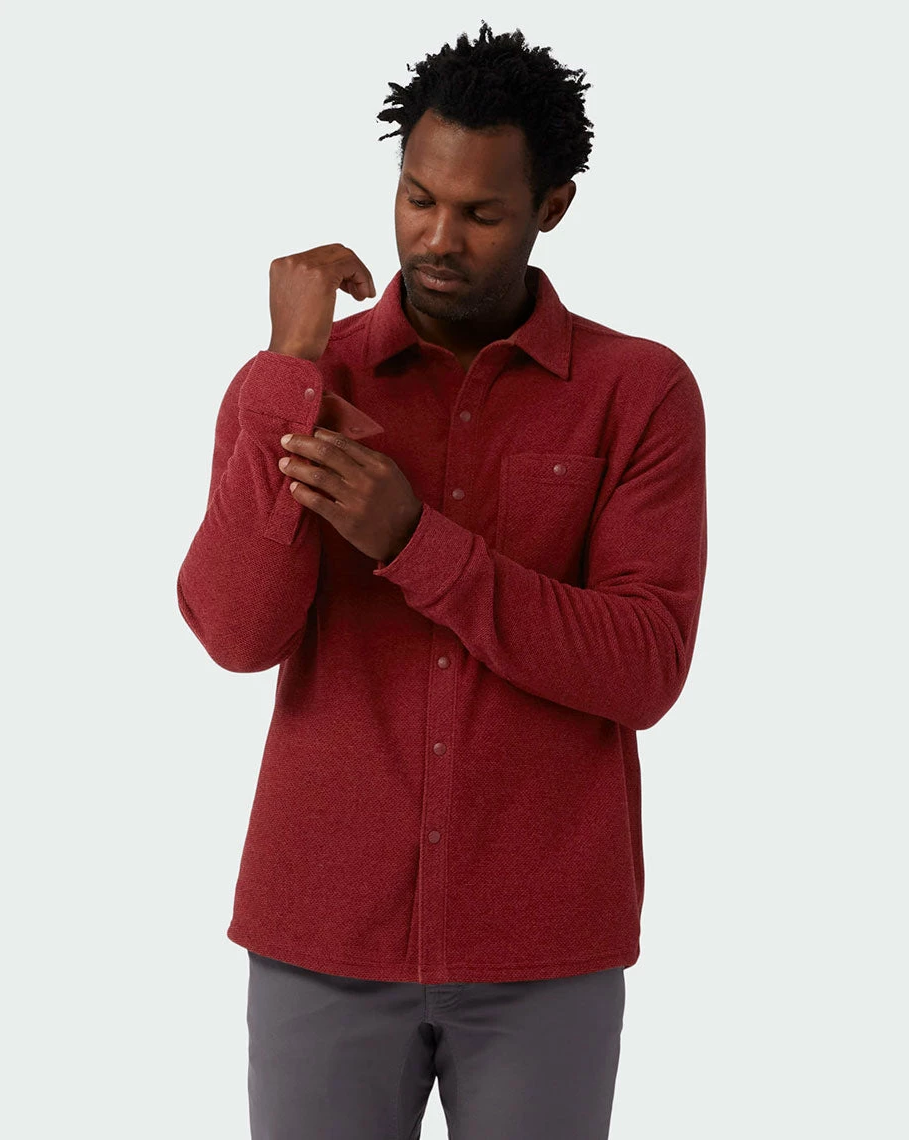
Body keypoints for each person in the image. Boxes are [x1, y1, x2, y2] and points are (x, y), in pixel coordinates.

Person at [176, 19, 707, 1140]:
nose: (437, 238)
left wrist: (415, 541)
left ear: (552, 205)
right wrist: (287, 368)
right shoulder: (300, 382)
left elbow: (644, 667)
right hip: (320, 932)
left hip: (544, 948)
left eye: (480, 213)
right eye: (418, 198)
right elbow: (233, 631)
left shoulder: (639, 392)